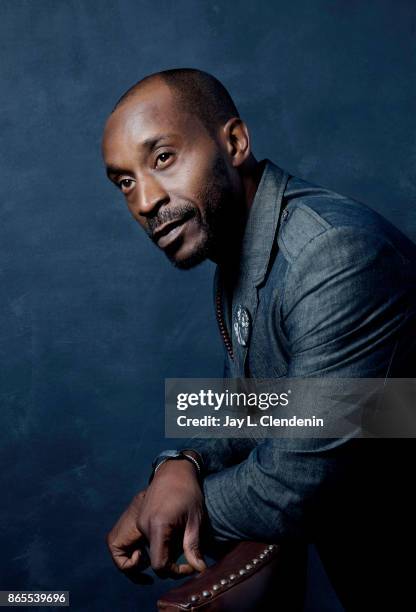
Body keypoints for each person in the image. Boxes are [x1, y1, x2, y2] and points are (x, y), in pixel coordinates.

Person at [102, 68, 416, 609]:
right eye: (125, 180)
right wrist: (180, 463)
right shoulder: (236, 250)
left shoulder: (332, 256)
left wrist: (174, 511)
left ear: (235, 143)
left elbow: (301, 477)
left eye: (162, 158)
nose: (145, 200)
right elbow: (262, 409)